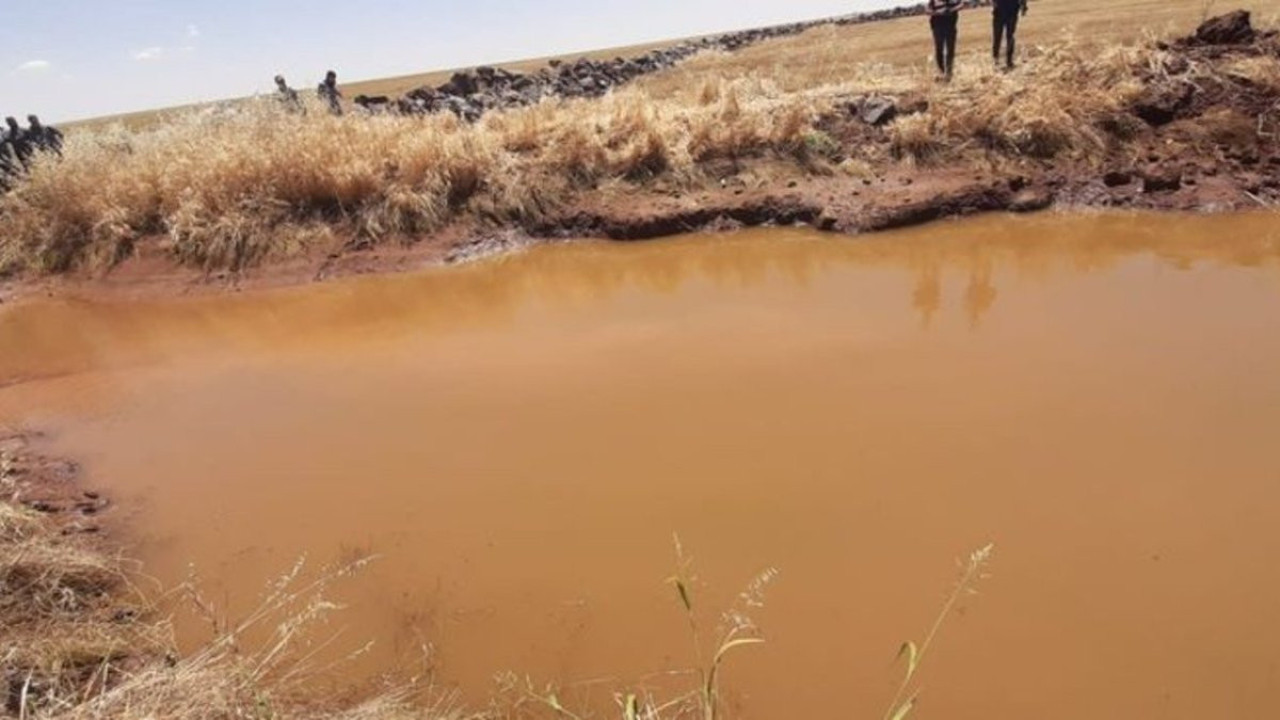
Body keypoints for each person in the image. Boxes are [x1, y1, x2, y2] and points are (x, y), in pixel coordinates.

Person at [928, 0, 962, 81]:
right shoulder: (933, 1)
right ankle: (941, 72)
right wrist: (938, 13)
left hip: (950, 26)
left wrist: (951, 10)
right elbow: (928, 10)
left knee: (950, 50)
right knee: (939, 49)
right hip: (938, 26)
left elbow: (961, 4)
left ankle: (949, 73)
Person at [993, 0, 1029, 71]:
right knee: (1001, 36)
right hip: (1002, 10)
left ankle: (1006, 60)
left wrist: (1023, 6)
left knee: (1008, 36)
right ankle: (997, 58)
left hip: (1009, 10)